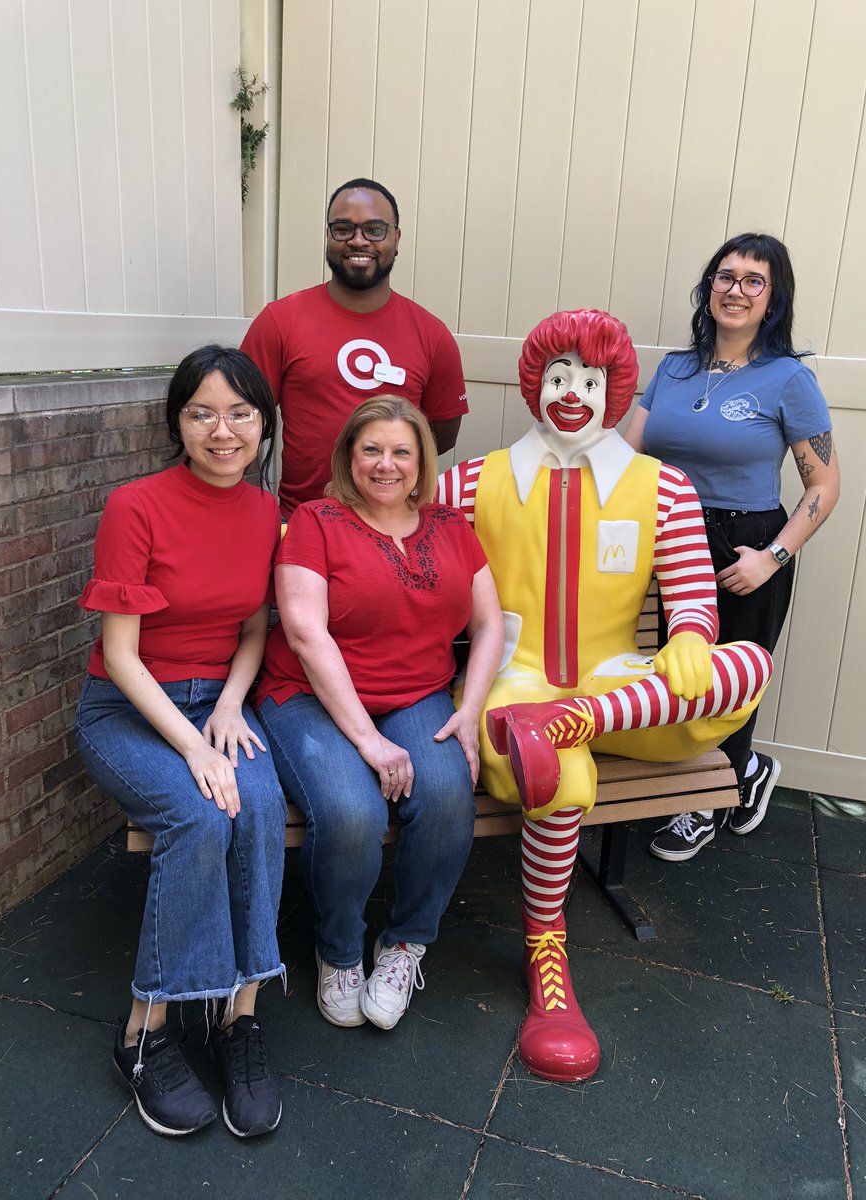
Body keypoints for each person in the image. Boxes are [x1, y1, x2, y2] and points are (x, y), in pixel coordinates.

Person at [439, 309, 774, 1082]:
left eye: (589, 380)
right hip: (509, 685)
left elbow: (692, 597)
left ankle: (570, 719)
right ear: (535, 386)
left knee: (745, 663)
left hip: (619, 689)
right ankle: (547, 958)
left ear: (615, 391)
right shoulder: (469, 482)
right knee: (561, 780)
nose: (571, 393)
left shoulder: (662, 489)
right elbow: (396, 546)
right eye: (558, 377)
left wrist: (689, 640)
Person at [74, 346, 286, 1139]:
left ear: (263, 424)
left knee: (259, 808)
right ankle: (144, 1033)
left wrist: (229, 709)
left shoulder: (267, 511)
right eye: (202, 412)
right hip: (130, 710)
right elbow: (121, 655)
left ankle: (236, 1021)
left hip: (218, 705)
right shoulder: (136, 505)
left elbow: (255, 626)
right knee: (198, 818)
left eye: (239, 413)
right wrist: (194, 747)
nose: (221, 430)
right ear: (178, 423)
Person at [256, 397, 502, 1031]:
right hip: (307, 695)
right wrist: (367, 742)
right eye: (371, 450)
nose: (385, 464)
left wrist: (469, 710)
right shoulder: (317, 520)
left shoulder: (451, 526)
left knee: (448, 794)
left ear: (422, 461)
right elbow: (306, 634)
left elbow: (489, 623)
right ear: (349, 457)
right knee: (351, 811)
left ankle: (403, 945)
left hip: (417, 695)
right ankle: (338, 950)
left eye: (401, 451)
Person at [624, 233, 839, 862]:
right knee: (673, 665)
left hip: (745, 542)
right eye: (726, 276)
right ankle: (732, 771)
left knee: (727, 677)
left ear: (773, 299)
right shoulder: (673, 368)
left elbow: (823, 484)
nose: (736, 289)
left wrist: (771, 557)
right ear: (708, 287)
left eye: (753, 280)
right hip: (668, 532)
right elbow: (624, 457)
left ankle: (711, 796)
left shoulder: (788, 379)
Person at [241, 177, 468, 516]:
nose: (358, 241)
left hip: (394, 526)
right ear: (329, 236)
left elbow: (440, 437)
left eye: (375, 229)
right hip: (302, 520)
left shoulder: (432, 335)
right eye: (343, 229)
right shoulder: (280, 321)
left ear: (396, 237)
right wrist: (251, 507)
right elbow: (240, 424)